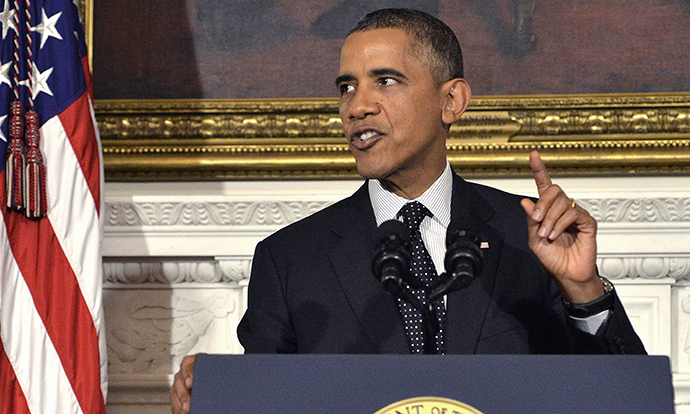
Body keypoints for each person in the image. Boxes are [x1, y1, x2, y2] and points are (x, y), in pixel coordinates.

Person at [170, 8, 645, 413]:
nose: (358, 106)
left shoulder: (529, 236)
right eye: (346, 87)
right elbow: (266, 402)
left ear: (452, 101)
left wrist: (583, 289)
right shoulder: (290, 260)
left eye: (386, 81)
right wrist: (216, 396)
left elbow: (625, 400)